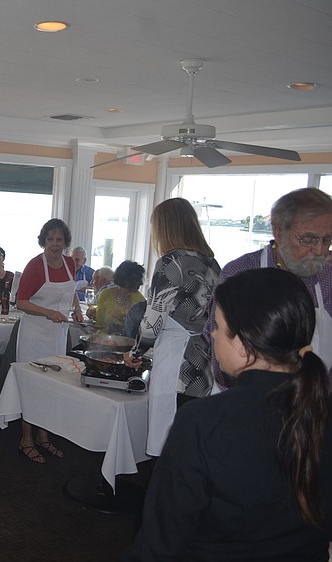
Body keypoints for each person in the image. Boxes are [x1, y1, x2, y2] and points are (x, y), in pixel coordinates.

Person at [123, 268, 332, 561]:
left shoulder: (203, 422)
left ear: (244, 345)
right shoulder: (320, 409)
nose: (211, 334)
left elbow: (160, 542)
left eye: (218, 326)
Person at [204, 187, 332, 392]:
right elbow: (219, 345)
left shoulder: (329, 277)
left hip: (315, 405)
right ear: (278, 232)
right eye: (308, 239)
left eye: (327, 239)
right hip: (244, 401)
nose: (319, 250)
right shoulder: (242, 272)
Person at [124, 198, 221, 457]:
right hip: (205, 359)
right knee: (193, 441)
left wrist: (136, 354)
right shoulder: (212, 262)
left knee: (169, 440)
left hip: (177, 360)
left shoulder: (171, 262)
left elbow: (153, 320)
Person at [15, 219, 84, 463]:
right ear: (43, 241)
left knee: (53, 384)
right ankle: (26, 439)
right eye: (50, 239)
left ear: (66, 243)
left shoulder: (69, 263)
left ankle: (44, 436)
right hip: (35, 334)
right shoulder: (35, 266)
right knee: (32, 385)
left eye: (59, 240)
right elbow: (20, 302)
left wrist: (76, 308)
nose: (55, 244)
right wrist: (48, 312)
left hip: (58, 334)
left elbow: (71, 290)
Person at [92, 260, 145, 334]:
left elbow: (142, 328)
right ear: (127, 280)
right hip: (104, 340)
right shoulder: (105, 295)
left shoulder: (140, 300)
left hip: (129, 342)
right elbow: (99, 323)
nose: (142, 283)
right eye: (138, 279)